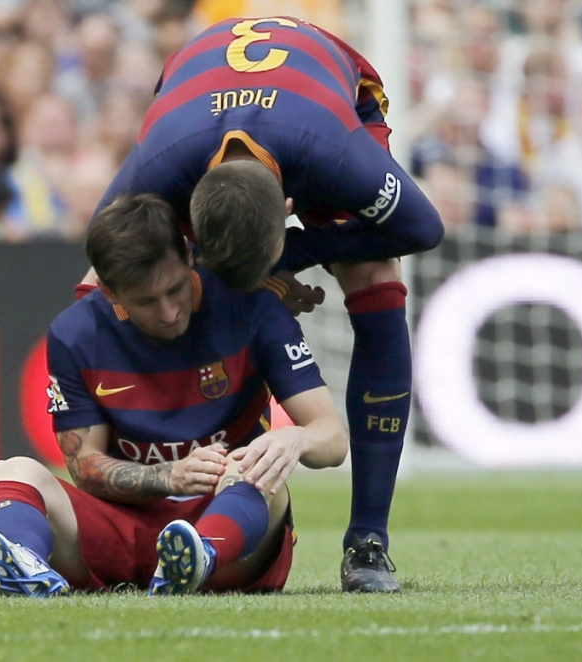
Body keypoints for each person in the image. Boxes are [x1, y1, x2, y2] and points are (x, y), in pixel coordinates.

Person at [86, 17, 444, 593]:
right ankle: (140, 508)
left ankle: (368, 541)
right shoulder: (162, 162)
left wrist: (296, 254)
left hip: (327, 96)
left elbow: (424, 228)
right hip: (193, 94)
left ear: (289, 207)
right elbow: (97, 257)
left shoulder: (336, 156)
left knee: (375, 273)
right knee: (116, 278)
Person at [0, 194, 347, 596]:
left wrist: (294, 439)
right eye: (146, 301)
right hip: (124, 531)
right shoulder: (75, 336)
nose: (169, 311)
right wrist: (168, 476)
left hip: (232, 531)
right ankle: (26, 564)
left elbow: (332, 438)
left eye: (176, 289)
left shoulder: (253, 309)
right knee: (10, 471)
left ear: (189, 257)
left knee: (259, 472)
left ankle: (200, 555)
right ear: (109, 293)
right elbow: (85, 468)